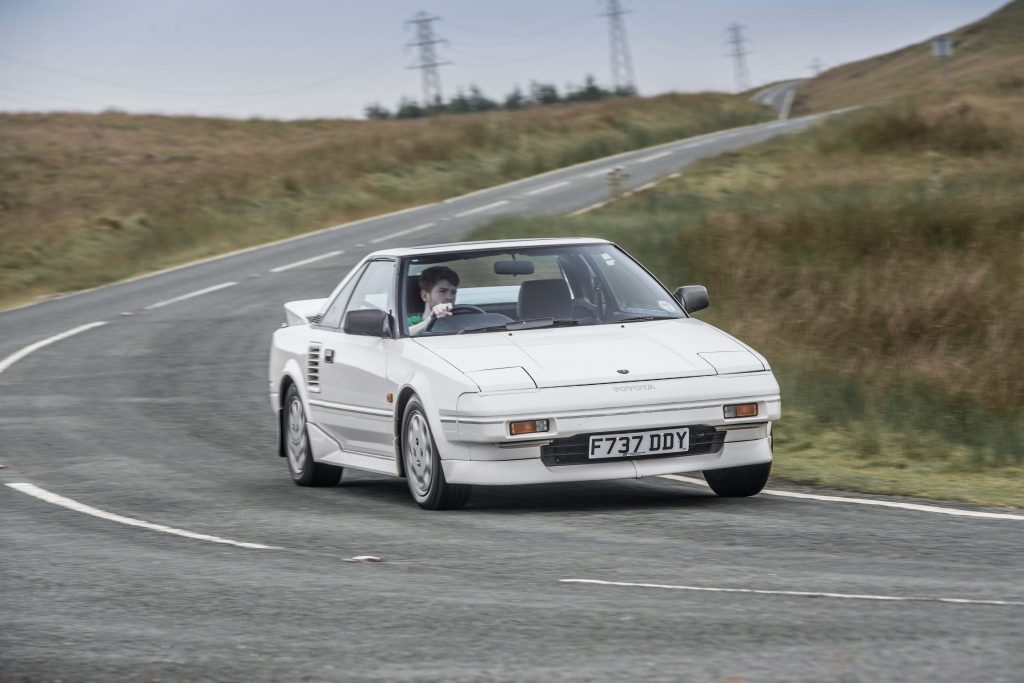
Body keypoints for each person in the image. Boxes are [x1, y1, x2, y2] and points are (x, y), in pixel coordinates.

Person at [407, 265, 459, 336]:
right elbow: (403, 335)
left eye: (453, 292)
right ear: (425, 296)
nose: (450, 297)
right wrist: (431, 319)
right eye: (443, 291)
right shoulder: (408, 322)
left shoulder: (460, 319)